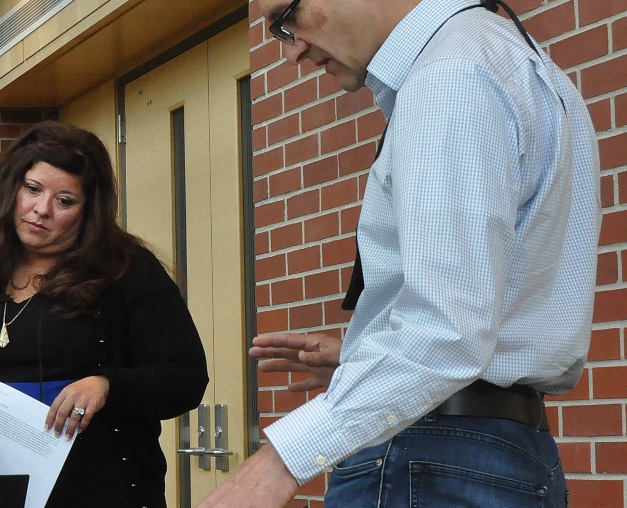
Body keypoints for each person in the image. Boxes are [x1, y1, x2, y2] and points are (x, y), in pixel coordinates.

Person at [201, 1, 599, 506]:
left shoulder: (451, 74)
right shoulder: (513, 61)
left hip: (431, 456)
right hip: (495, 451)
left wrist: (277, 462)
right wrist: (371, 362)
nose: (291, 52)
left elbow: (447, 332)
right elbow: (482, 313)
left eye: (287, 16)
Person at [0, 120, 209, 507]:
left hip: (102, 488)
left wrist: (107, 386)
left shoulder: (126, 271)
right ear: (12, 187)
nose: (41, 210)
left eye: (64, 201)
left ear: (88, 210)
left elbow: (186, 377)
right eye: (32, 189)